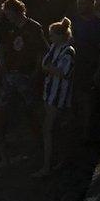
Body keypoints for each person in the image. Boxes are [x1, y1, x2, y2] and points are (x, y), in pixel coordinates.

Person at [0, 0, 47, 161]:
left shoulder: (33, 27)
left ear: (17, 12)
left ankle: (37, 142)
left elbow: (41, 51)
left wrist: (37, 71)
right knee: (5, 107)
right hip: (10, 73)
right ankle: (6, 142)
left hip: (26, 74)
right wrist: (1, 66)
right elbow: (0, 46)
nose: (7, 18)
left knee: (31, 109)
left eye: (8, 14)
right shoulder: (9, 27)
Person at [36, 20, 75, 176]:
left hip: (59, 95)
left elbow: (63, 72)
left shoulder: (68, 51)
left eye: (52, 34)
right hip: (49, 91)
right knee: (54, 128)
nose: (49, 37)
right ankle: (55, 160)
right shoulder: (54, 48)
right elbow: (46, 65)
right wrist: (50, 68)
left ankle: (48, 165)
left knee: (49, 128)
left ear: (60, 35)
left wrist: (49, 68)